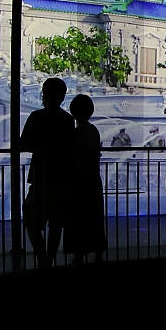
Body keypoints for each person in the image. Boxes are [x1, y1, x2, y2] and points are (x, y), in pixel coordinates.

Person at [20, 77, 75, 267]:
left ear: (44, 94)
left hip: (40, 176)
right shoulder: (68, 120)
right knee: (56, 222)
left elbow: (23, 144)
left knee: (32, 220)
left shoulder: (36, 117)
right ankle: (49, 259)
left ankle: (42, 258)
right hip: (61, 177)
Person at [64, 94, 106, 264]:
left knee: (78, 219)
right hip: (93, 178)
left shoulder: (76, 133)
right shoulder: (93, 130)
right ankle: (97, 252)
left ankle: (79, 254)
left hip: (78, 180)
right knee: (94, 218)